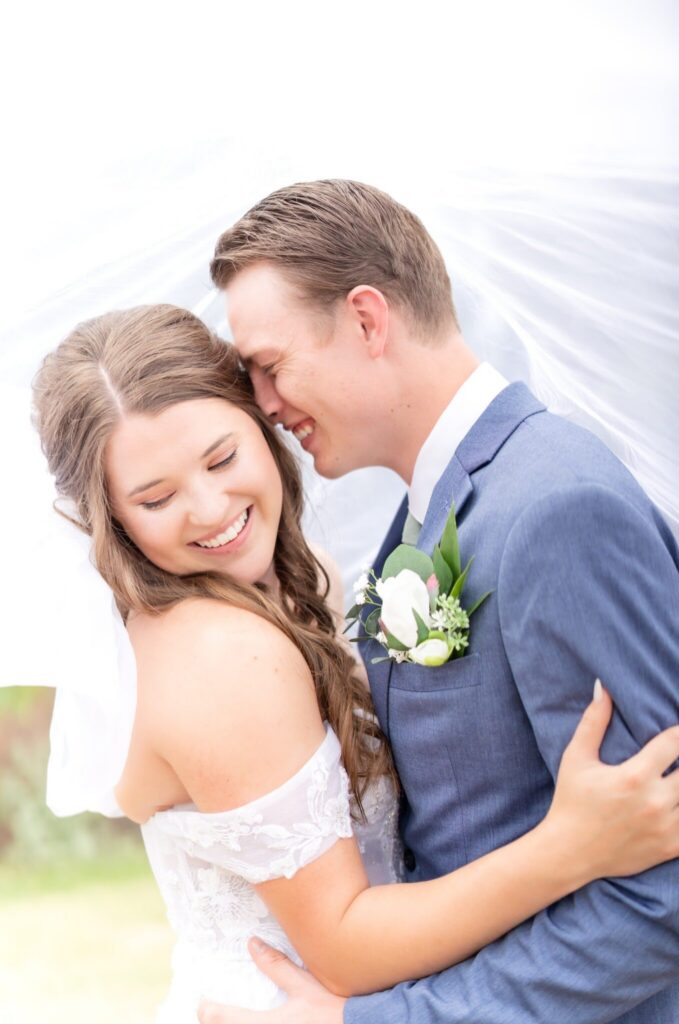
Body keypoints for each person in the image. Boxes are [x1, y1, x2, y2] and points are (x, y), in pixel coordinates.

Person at [28, 303, 679, 1024]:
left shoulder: (308, 588)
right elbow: (342, 944)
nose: (210, 509)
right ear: (109, 518)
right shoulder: (218, 653)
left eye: (221, 459)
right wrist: (568, 847)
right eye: (155, 498)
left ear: (263, 429)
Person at [199, 179, 679, 1024]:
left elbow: (662, 889)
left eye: (269, 368)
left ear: (366, 319)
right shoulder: (431, 509)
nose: (266, 408)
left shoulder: (555, 509)